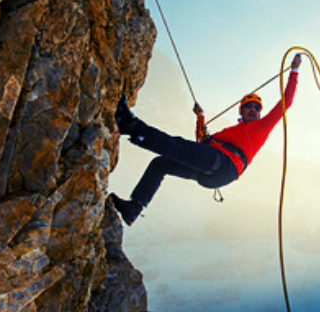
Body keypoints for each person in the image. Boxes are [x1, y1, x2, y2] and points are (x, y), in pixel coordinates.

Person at [109, 53, 304, 225]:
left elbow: (285, 103)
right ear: (242, 110)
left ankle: (130, 125)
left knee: (179, 148)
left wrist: (294, 70)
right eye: (249, 106)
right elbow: (202, 142)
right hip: (215, 172)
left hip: (224, 165)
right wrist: (200, 117)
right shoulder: (230, 132)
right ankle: (134, 208)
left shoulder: (261, 127)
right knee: (161, 164)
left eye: (257, 108)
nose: (254, 110)